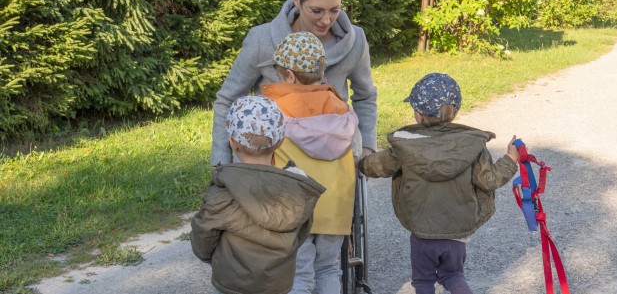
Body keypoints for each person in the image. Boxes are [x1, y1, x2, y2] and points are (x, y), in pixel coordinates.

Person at [357, 73, 520, 294]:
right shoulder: (471, 145)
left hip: (422, 231)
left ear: (419, 115)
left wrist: (360, 164)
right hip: (458, 231)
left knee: (423, 281)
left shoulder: (405, 146)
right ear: (455, 112)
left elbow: (377, 166)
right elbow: (489, 179)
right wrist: (510, 158)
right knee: (453, 276)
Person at [211, 0, 377, 167]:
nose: (326, 20)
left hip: (337, 169)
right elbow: (228, 99)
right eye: (316, 11)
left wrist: (367, 149)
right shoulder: (261, 39)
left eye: (334, 10)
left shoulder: (356, 41)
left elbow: (365, 96)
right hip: (276, 170)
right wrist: (221, 166)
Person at [191, 95, 326, 294]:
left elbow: (203, 234)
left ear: (232, 142)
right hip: (277, 285)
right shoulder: (295, 187)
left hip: (231, 284)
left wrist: (208, 257)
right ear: (280, 141)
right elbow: (302, 231)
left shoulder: (223, 190)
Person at [260, 31, 359, 293]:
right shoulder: (340, 108)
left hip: (296, 206)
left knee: (299, 275)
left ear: (289, 75)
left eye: (280, 74)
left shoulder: (274, 109)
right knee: (328, 269)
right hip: (335, 206)